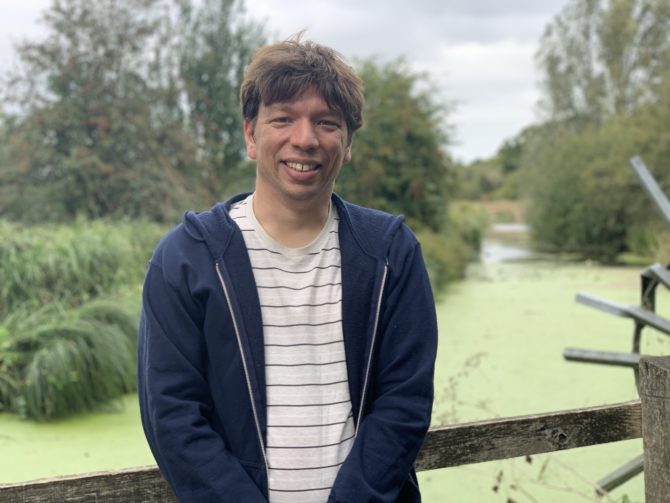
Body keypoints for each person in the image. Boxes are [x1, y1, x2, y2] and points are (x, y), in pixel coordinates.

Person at [137, 36, 438, 503]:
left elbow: (405, 401)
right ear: (251, 135)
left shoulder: (390, 253)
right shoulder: (187, 259)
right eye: (283, 118)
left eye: (326, 122)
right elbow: (172, 416)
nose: (305, 138)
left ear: (348, 142)